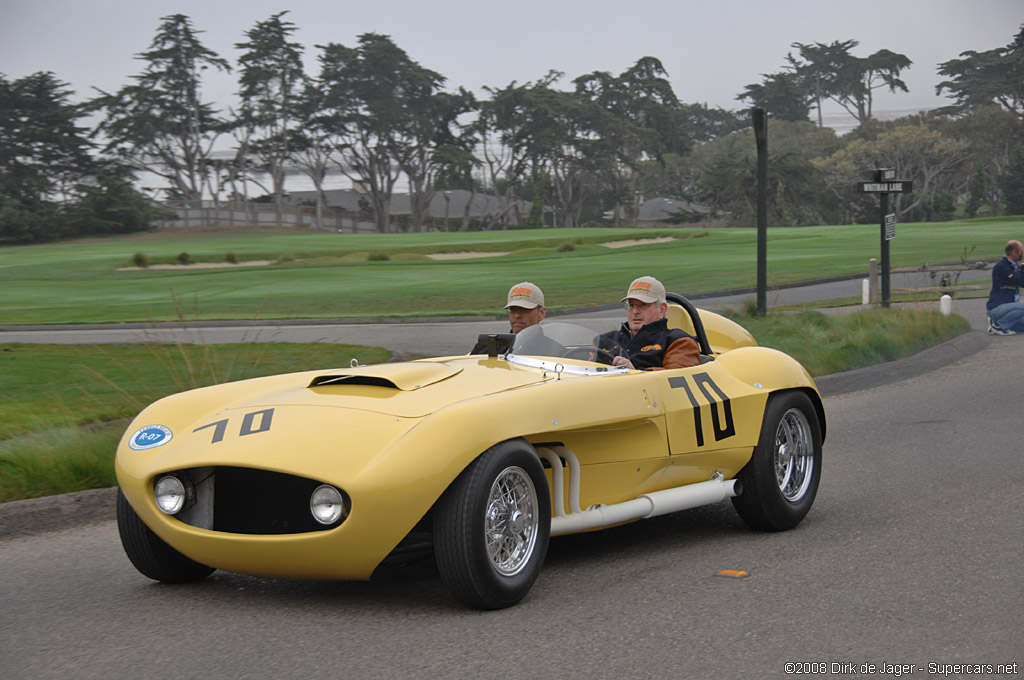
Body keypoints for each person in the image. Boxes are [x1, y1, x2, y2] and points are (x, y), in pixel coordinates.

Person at [600, 276, 700, 370]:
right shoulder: (605, 340)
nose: (635, 311)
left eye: (643, 305)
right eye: (631, 305)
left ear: (662, 309)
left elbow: (678, 377)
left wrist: (634, 372)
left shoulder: (678, 341)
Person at [470, 282, 547, 353]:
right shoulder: (485, 349)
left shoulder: (555, 352)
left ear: (541, 313)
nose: (517, 315)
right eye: (513, 309)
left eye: (525, 309)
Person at [986, 239, 1024, 335]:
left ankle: (1004, 323)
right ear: (1014, 253)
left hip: (1009, 307)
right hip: (997, 307)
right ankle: (998, 325)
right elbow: (1021, 281)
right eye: (1022, 252)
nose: (1022, 255)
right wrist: (1023, 264)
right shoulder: (1002, 267)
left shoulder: (1014, 266)